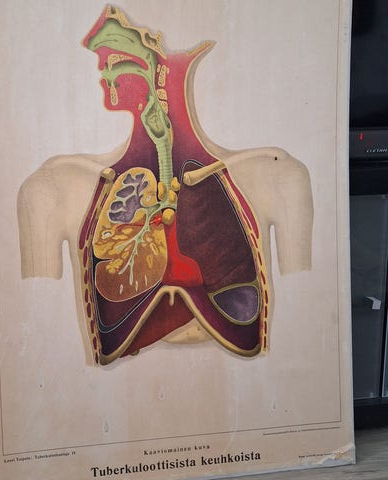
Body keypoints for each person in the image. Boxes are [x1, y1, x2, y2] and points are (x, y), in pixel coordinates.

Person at [18, 6, 313, 366]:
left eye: (113, 67)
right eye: (105, 68)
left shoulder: (276, 174)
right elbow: (37, 323)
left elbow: (305, 303)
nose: (105, 78)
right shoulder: (52, 186)